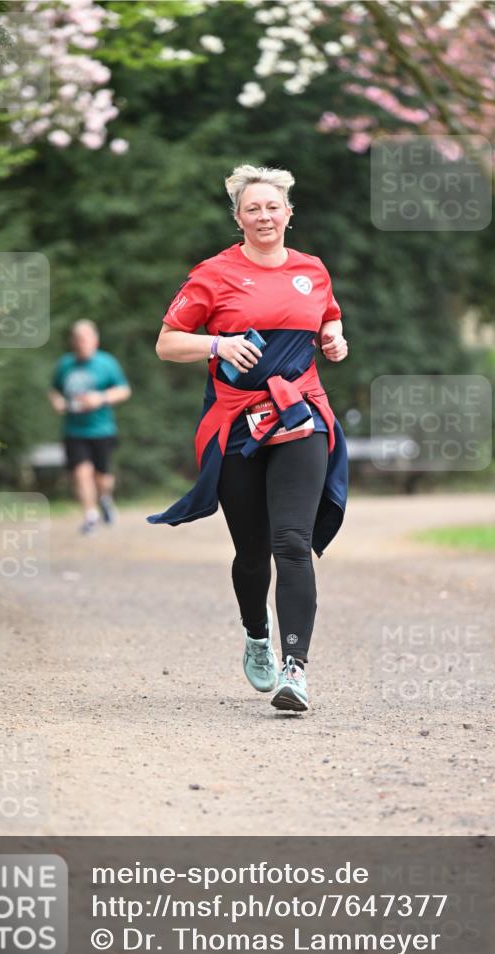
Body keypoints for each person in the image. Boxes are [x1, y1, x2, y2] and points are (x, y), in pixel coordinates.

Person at [149, 164, 349, 712]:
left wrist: (334, 338)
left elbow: (327, 318)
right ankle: (257, 635)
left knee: (292, 543)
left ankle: (295, 670)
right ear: (238, 218)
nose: (264, 216)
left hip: (298, 414)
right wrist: (218, 347)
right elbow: (168, 343)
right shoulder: (213, 274)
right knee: (253, 552)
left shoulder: (312, 269)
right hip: (236, 422)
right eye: (253, 208)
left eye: (273, 206)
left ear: (289, 212)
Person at [48, 319, 131, 534]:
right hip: (74, 430)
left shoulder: (107, 363)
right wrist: (57, 401)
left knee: (102, 477)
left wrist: (101, 398)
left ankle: (104, 498)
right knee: (80, 473)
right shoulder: (65, 364)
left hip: (101, 429)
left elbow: (124, 390)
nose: (82, 343)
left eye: (86, 338)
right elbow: (53, 389)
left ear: (95, 340)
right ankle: (90, 516)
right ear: (72, 342)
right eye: (78, 339)